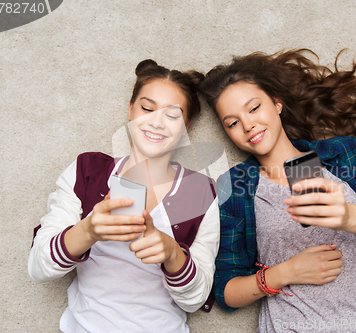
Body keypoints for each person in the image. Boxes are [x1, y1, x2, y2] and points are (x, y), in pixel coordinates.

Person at [199, 49, 356, 332]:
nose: (248, 125)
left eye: (254, 108)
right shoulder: (236, 185)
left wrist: (347, 216)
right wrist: (285, 272)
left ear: (277, 103)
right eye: (232, 123)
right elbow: (226, 292)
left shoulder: (341, 155)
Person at [28, 60, 220, 333]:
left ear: (185, 126)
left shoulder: (200, 191)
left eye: (172, 115)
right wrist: (88, 230)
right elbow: (38, 268)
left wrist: (171, 253)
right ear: (130, 111)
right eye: (147, 107)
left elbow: (195, 299)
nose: (156, 121)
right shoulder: (88, 170)